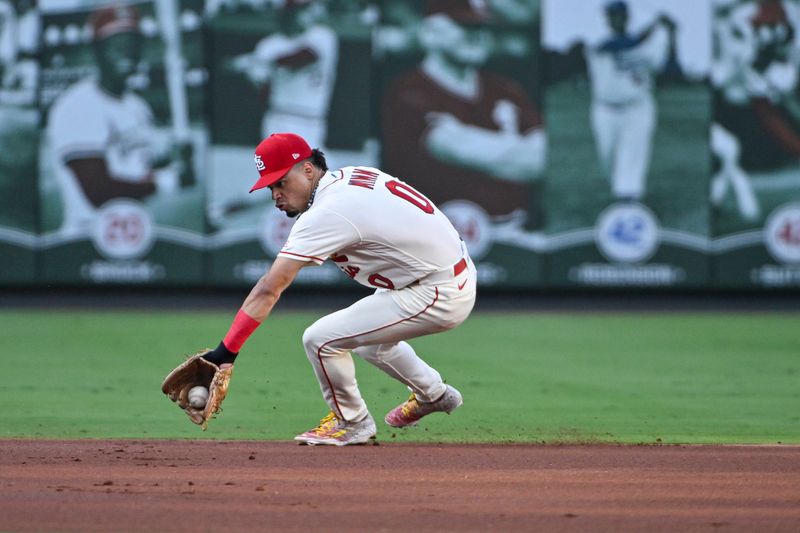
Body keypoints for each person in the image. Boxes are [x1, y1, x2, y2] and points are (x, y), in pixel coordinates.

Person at [199, 132, 477, 446]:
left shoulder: (327, 212)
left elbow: (269, 288)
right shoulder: (347, 177)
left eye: (281, 182)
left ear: (307, 170)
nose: (276, 194)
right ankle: (435, 395)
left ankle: (352, 421)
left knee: (320, 339)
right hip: (444, 273)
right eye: (270, 187)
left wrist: (225, 353)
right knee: (368, 341)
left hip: (437, 290)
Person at [381, 0, 545, 223]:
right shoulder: (408, 93)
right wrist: (520, 147)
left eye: (482, 26)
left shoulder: (506, 89)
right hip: (436, 237)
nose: (477, 35)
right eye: (465, 26)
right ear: (430, 32)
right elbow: (460, 150)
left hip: (513, 229)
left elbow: (542, 159)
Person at [46, 4, 194, 238]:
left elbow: (133, 163)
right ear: (96, 50)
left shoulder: (137, 106)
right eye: (116, 44)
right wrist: (167, 181)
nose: (126, 53)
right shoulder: (78, 105)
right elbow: (98, 190)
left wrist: (171, 156)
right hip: (85, 238)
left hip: (134, 232)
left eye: (132, 44)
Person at [711, 0, 800, 222]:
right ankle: (738, 203)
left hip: (755, 99)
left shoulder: (786, 16)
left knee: (731, 154)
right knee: (730, 153)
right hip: (731, 102)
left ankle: (722, 199)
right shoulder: (738, 22)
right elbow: (722, 77)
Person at [585, 0, 677, 202]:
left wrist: (672, 35)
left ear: (627, 17)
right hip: (605, 109)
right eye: (610, 15)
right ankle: (621, 190)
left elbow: (670, 70)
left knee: (633, 156)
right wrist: (656, 24)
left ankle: (628, 197)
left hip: (638, 107)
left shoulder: (646, 46)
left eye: (618, 15)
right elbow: (623, 45)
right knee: (607, 157)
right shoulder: (597, 40)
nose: (613, 19)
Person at [226, 0, 338, 148]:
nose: (305, 15)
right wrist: (254, 75)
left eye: (307, 9)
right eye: (299, 10)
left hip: (311, 120)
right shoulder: (270, 44)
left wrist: (255, 60)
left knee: (312, 168)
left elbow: (302, 58)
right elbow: (263, 89)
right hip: (278, 117)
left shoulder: (322, 36)